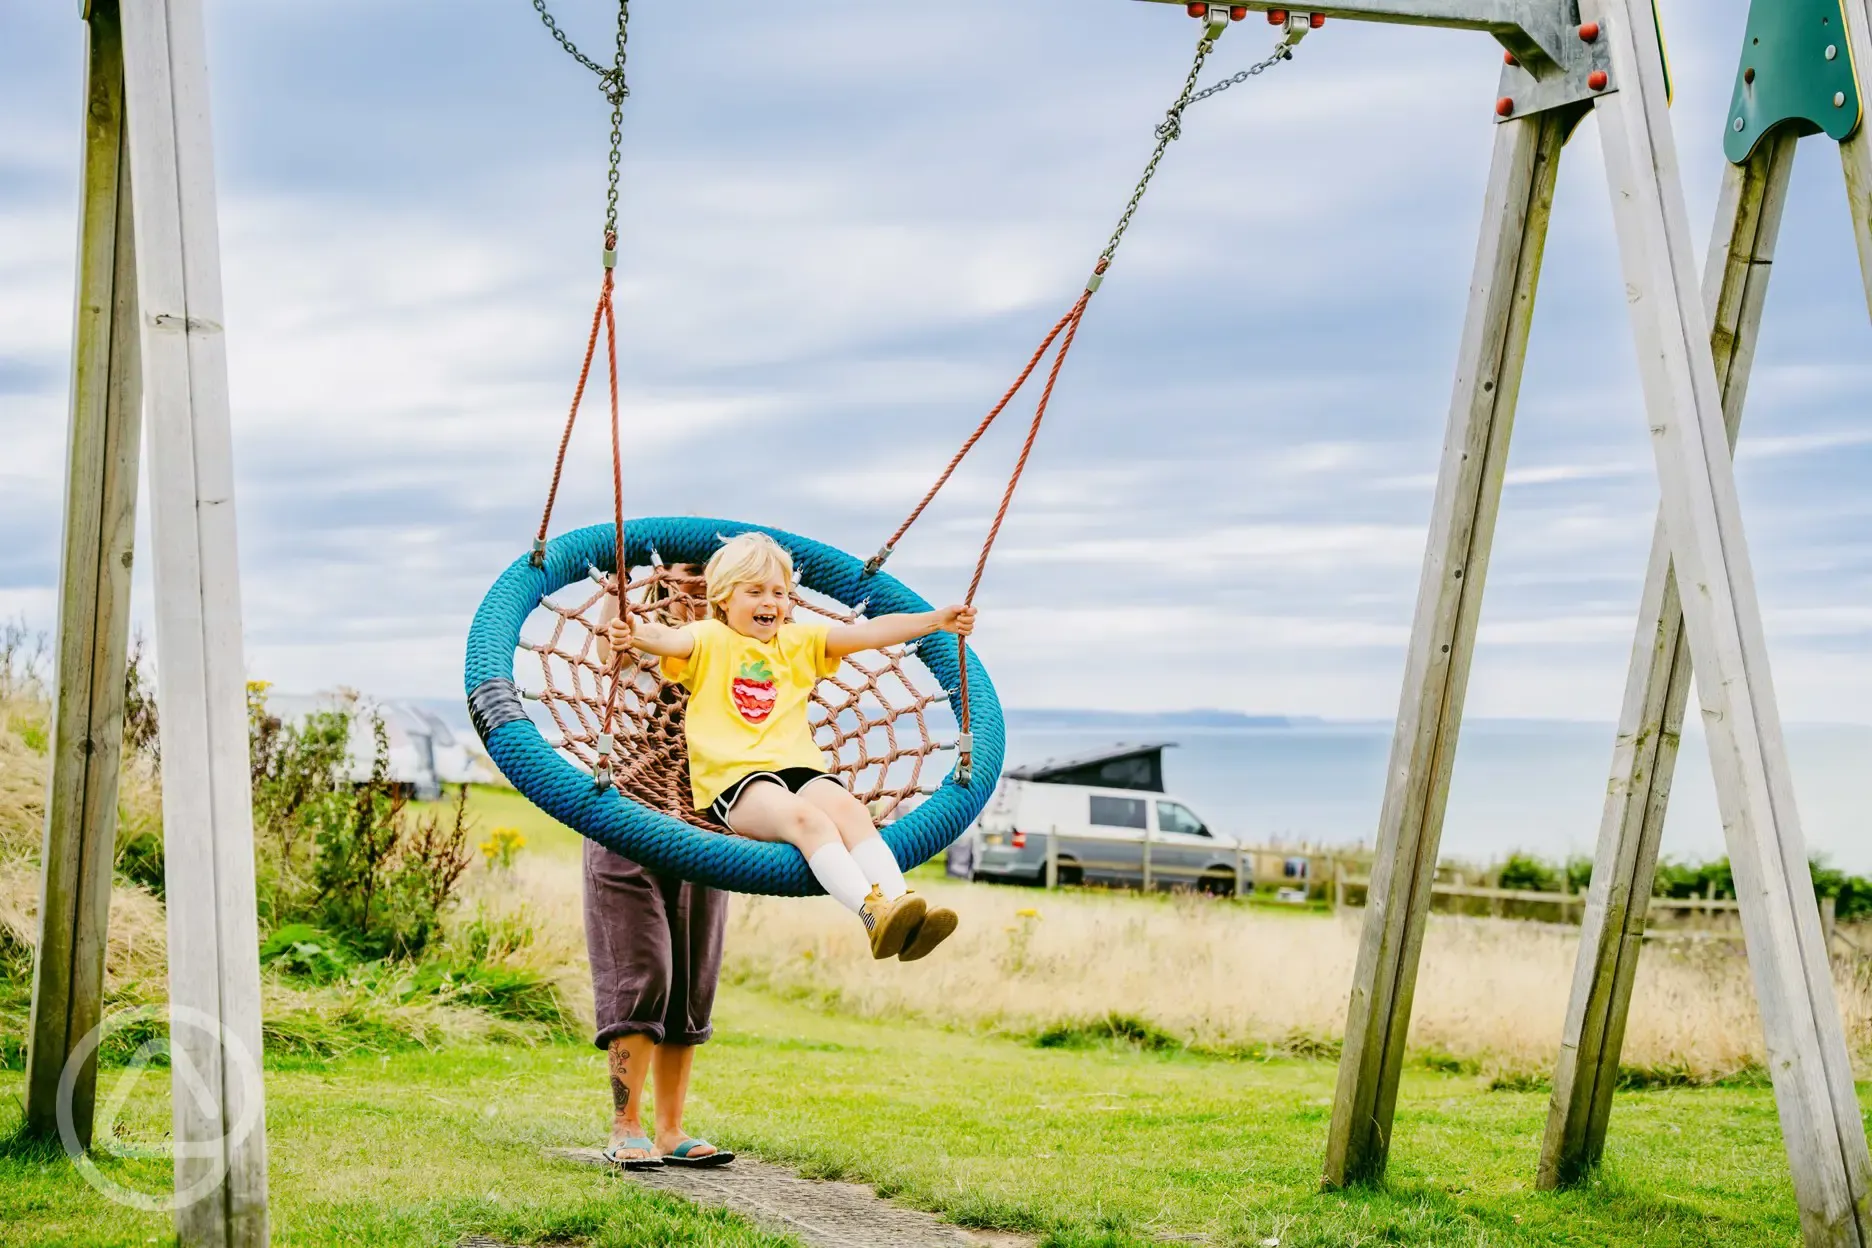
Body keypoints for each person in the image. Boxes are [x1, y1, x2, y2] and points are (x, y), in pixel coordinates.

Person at [604, 531, 970, 962]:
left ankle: (902, 905)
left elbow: (871, 634)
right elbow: (669, 641)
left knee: (849, 809)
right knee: (807, 821)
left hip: (798, 768)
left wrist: (936, 620)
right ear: (723, 598)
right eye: (755, 591)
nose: (770, 602)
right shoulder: (708, 639)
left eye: (779, 592)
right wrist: (635, 632)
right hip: (735, 783)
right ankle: (873, 915)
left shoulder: (799, 643)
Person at [587, 565, 734, 1170]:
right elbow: (610, 646)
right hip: (626, 810)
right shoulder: (638, 635)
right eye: (684, 572)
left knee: (693, 971)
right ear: (662, 576)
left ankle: (673, 1129)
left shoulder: (736, 648)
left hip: (707, 816)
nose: (693, 584)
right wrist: (619, 586)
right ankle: (627, 1124)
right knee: (641, 966)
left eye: (706, 574)